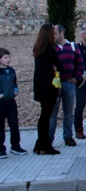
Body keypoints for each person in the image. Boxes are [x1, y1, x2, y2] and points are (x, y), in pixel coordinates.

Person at [50, 25, 84, 147]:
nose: (53, 36)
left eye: (54, 33)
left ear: (61, 32)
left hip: (69, 83)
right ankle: (49, 138)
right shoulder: (51, 49)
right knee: (52, 113)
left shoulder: (72, 47)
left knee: (68, 112)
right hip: (55, 85)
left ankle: (68, 136)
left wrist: (76, 78)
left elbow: (80, 64)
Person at [32, 23, 62, 155]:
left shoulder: (38, 48)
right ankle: (45, 145)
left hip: (40, 86)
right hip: (49, 87)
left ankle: (40, 144)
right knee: (46, 116)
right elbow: (60, 65)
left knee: (43, 116)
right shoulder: (50, 50)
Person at [0, 48, 27, 157]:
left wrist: (16, 91)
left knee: (14, 124)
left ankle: (15, 146)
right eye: (5, 57)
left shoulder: (11, 71)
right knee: (0, 126)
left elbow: (15, 83)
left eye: (9, 57)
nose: (8, 59)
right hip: (1, 103)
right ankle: (1, 149)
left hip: (11, 101)